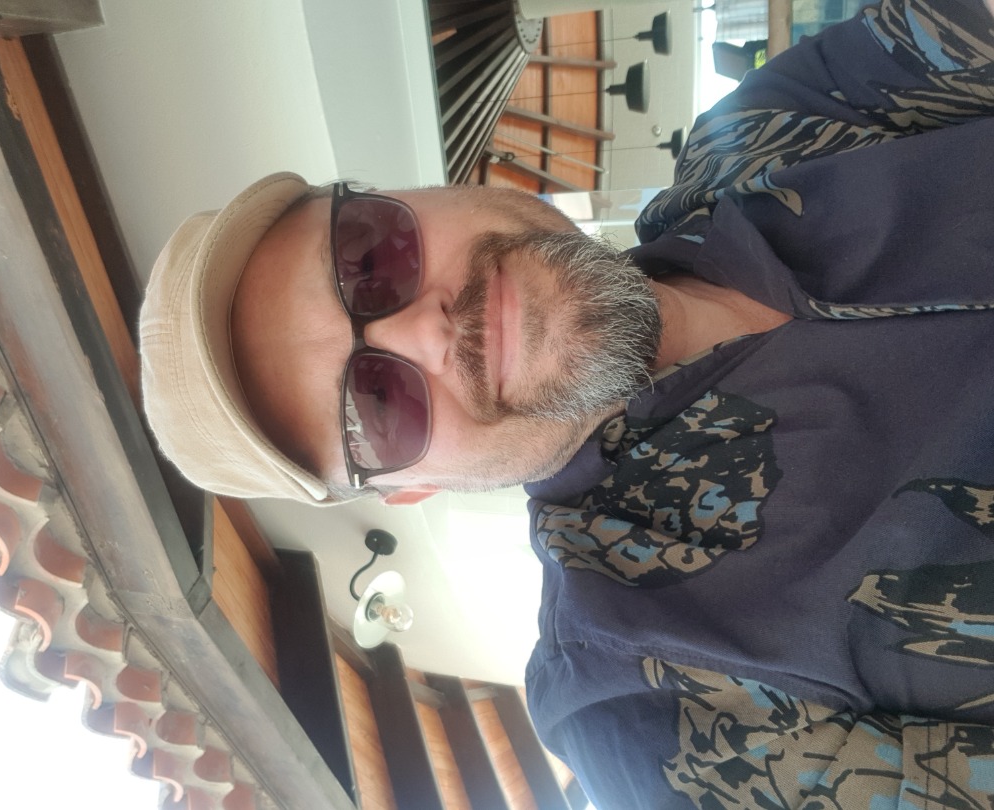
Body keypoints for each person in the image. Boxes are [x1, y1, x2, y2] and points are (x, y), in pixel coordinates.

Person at [139, 0, 994, 805]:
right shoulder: (640, 700)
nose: (425, 330)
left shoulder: (766, 134)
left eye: (368, 259)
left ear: (409, 194)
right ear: (411, 489)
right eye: (374, 408)